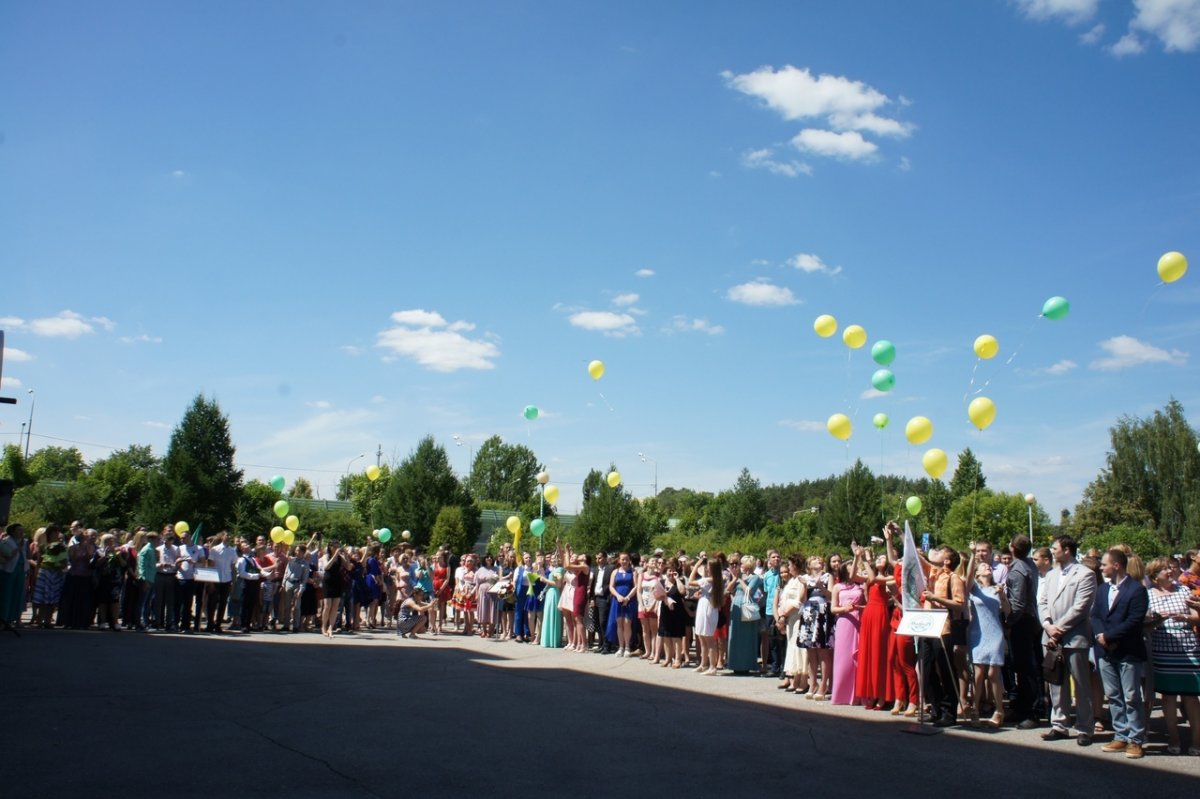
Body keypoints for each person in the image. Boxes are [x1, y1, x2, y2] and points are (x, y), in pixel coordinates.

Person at [1038, 534, 1097, 745]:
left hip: (1074, 637)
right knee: (1056, 682)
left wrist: (1059, 629)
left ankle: (1085, 728)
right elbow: (1042, 602)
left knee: (1080, 684)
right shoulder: (1051, 575)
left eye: (1055, 548)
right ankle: (1059, 725)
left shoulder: (1085, 574)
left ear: (1067, 550)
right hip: (1052, 637)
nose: (1052, 551)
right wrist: (1047, 625)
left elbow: (1081, 607)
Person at [1093, 548, 1149, 759]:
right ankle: (1121, 735)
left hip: (1128, 651)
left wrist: (1110, 637)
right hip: (1105, 652)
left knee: (1132, 696)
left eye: (1104, 564)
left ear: (1116, 565)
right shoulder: (1101, 590)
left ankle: (1136, 739)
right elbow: (1096, 615)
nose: (1101, 567)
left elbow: (1134, 621)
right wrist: (1100, 635)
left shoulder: (1136, 590)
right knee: (1114, 695)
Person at [1145, 557, 1200, 755]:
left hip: (1187, 650)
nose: (1169, 572)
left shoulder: (1184, 590)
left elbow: (1197, 617)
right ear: (1154, 575)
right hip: (1162, 651)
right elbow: (1146, 626)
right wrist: (1157, 621)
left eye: (1170, 568)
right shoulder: (1148, 595)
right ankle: (1174, 739)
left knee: (1191, 698)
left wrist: (1184, 617)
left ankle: (1196, 741)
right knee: (1168, 697)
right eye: (1164, 570)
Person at [962, 547, 1011, 727]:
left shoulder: (997, 588)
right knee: (979, 673)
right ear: (977, 572)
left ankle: (999, 710)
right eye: (983, 566)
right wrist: (973, 557)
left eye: (988, 566)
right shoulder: (975, 589)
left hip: (995, 632)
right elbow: (967, 581)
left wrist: (1003, 596)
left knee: (993, 672)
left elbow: (1007, 611)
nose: (987, 568)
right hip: (978, 632)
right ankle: (975, 708)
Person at [921, 546, 966, 727]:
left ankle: (949, 712)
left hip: (943, 628)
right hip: (927, 626)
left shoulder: (953, 578)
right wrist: (900, 535)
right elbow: (917, 560)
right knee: (926, 669)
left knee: (945, 669)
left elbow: (959, 604)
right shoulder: (933, 572)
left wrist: (936, 599)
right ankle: (936, 707)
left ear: (947, 560)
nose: (935, 552)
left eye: (940, 552)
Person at [1005, 534, 1044, 729]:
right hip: (1029, 620)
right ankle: (1022, 706)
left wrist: (1009, 623)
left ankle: (1033, 710)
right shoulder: (1030, 564)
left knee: (1027, 668)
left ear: (1012, 548)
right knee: (1022, 667)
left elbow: (1018, 604)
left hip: (1023, 622)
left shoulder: (1018, 570)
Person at [856, 549, 894, 711]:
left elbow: (874, 579)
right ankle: (870, 691)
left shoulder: (889, 578)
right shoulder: (870, 577)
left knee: (879, 654)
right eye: (878, 556)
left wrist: (865, 559)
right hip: (869, 614)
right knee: (868, 653)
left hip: (880, 615)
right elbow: (853, 577)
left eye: (883, 557)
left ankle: (881, 694)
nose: (880, 558)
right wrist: (857, 556)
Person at [830, 553, 866, 704]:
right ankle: (841, 694)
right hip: (844, 622)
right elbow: (833, 608)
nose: (855, 569)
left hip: (859, 620)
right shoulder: (838, 587)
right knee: (843, 659)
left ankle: (859, 694)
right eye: (852, 566)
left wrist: (859, 607)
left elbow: (868, 604)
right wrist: (844, 609)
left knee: (858, 657)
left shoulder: (861, 586)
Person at [796, 555, 834, 699]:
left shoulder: (827, 576)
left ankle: (824, 684)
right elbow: (801, 599)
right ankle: (813, 683)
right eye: (814, 559)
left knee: (823, 651)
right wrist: (805, 585)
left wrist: (819, 586)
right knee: (810, 651)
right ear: (809, 565)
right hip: (808, 613)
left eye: (819, 559)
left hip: (823, 612)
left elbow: (831, 596)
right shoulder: (804, 577)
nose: (818, 560)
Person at [775, 555, 807, 692]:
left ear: (795, 565)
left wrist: (784, 615)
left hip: (799, 616)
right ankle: (795, 679)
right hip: (790, 618)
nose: (788, 568)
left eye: (789, 565)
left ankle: (803, 681)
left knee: (800, 648)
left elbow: (799, 601)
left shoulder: (802, 579)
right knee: (792, 647)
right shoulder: (791, 581)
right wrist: (781, 616)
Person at [688, 555, 723, 675]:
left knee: (708, 638)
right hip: (704, 605)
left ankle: (712, 667)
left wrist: (696, 565)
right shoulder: (713, 579)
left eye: (708, 566)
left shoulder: (710, 580)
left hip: (708, 608)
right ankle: (703, 664)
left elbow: (690, 581)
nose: (706, 568)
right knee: (701, 636)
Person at [31, 524, 66, 628]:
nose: (56, 534)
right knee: (42, 598)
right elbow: (39, 561)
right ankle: (39, 620)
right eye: (53, 532)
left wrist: (60, 566)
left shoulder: (61, 546)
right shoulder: (43, 546)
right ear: (49, 534)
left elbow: (64, 561)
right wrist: (36, 574)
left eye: (57, 532)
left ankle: (48, 621)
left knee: (52, 598)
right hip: (44, 572)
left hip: (56, 573)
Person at [205, 531, 237, 633]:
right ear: (222, 537)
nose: (229, 537)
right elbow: (210, 565)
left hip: (226, 579)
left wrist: (232, 581)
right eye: (227, 535)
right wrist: (210, 582)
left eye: (229, 535)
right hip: (216, 579)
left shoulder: (232, 551)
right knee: (212, 603)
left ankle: (218, 624)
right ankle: (210, 624)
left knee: (223, 603)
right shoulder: (215, 549)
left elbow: (233, 567)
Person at [657, 558, 687, 668]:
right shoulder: (662, 582)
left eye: (672, 570)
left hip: (677, 612)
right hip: (665, 611)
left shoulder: (680, 581)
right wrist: (663, 598)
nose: (670, 572)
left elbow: (683, 591)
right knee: (665, 636)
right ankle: (668, 658)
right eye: (669, 570)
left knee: (676, 637)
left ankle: (678, 659)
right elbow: (657, 596)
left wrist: (677, 579)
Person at [607, 552, 637, 656]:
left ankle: (628, 647)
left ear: (629, 560)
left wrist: (628, 597)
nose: (624, 561)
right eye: (622, 559)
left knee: (627, 623)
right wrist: (618, 596)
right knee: (619, 624)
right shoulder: (615, 572)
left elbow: (636, 586)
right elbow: (611, 586)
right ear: (619, 560)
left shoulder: (633, 572)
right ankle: (621, 647)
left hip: (629, 600)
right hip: (617, 600)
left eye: (626, 559)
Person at [0, 523, 27, 633]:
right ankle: (3, 620)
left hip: (20, 571)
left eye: (22, 530)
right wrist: (18, 548)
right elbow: (8, 556)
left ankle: (14, 619)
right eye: (19, 530)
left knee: (17, 594)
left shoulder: (23, 542)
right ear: (13, 531)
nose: (21, 532)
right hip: (9, 571)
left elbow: (24, 557)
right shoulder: (6, 541)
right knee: (6, 596)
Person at [540, 549, 565, 648]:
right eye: (553, 558)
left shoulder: (559, 570)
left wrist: (544, 580)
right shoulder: (554, 570)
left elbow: (558, 584)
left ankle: (553, 640)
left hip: (554, 593)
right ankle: (548, 640)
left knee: (553, 614)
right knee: (548, 614)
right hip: (550, 593)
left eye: (556, 558)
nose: (554, 560)